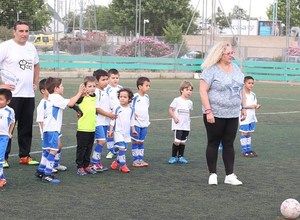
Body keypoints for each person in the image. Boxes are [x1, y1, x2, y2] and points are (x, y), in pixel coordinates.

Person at [199, 41, 247, 186]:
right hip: (215, 113)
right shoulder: (210, 69)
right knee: (213, 142)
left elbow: (241, 89)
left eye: (232, 53)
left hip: (232, 113)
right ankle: (212, 174)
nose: (231, 55)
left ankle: (229, 175)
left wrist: (244, 107)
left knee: (229, 143)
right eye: (228, 53)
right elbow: (202, 91)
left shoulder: (236, 68)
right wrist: (208, 111)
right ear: (220, 54)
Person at [0, 20, 40, 167]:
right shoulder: (5, 47)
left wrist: (35, 81)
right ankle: (3, 158)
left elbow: (36, 65)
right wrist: (1, 85)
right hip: (11, 96)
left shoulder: (31, 47)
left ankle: (25, 156)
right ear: (14, 32)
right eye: (21, 31)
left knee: (26, 127)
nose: (24, 34)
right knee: (6, 127)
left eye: (26, 31)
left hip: (28, 94)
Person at [35, 77, 84, 183]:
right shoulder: (56, 97)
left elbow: (71, 103)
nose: (63, 87)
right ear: (56, 88)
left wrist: (79, 98)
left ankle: (40, 171)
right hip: (52, 129)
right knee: (53, 150)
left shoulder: (52, 98)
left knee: (47, 151)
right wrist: (79, 92)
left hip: (48, 130)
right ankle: (48, 175)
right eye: (61, 86)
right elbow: (71, 103)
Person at [36, 79, 67, 173]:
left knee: (58, 146)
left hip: (54, 128)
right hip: (49, 130)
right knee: (50, 150)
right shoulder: (42, 104)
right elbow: (40, 120)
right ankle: (48, 170)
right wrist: (43, 133)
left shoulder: (52, 101)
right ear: (43, 91)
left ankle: (53, 165)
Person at [90, 69, 115, 172]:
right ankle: (94, 162)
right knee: (101, 141)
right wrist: (109, 114)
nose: (106, 82)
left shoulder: (105, 92)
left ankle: (96, 162)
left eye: (106, 79)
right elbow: (97, 108)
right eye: (103, 80)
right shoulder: (96, 92)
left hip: (105, 122)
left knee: (101, 142)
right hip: (98, 121)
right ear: (96, 81)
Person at [108, 88, 137, 173]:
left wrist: (133, 130)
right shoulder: (117, 107)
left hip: (126, 133)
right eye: (120, 96)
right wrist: (110, 131)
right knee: (122, 147)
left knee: (124, 149)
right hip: (118, 132)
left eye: (125, 97)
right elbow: (112, 120)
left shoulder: (131, 109)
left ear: (129, 99)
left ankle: (116, 162)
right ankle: (123, 165)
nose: (122, 98)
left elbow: (132, 120)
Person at [75, 76, 98, 176]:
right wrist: (78, 111)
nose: (92, 88)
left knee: (89, 148)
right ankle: (80, 167)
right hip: (83, 128)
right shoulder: (81, 98)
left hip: (92, 128)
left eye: (94, 86)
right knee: (82, 148)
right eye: (89, 86)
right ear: (84, 87)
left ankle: (87, 165)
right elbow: (71, 104)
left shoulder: (94, 96)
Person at [168, 81, 193, 164]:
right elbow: (170, 110)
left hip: (186, 125)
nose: (189, 91)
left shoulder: (190, 102)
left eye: (190, 90)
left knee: (182, 142)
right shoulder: (177, 100)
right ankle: (173, 157)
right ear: (182, 90)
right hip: (178, 125)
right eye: (187, 89)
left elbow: (188, 113)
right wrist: (174, 117)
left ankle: (181, 157)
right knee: (177, 141)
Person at [131, 77, 151, 167]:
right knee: (135, 141)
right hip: (136, 123)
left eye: (149, 86)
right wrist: (133, 114)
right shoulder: (134, 97)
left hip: (145, 123)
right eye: (146, 85)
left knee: (141, 141)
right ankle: (135, 160)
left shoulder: (147, 97)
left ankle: (140, 159)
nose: (148, 87)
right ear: (140, 86)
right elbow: (129, 106)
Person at [239, 76, 261, 158]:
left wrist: (256, 106)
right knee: (244, 132)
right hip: (244, 116)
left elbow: (253, 105)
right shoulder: (241, 94)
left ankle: (249, 149)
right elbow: (241, 106)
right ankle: (244, 151)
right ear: (244, 83)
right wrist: (251, 106)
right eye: (249, 83)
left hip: (251, 116)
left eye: (252, 83)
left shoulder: (253, 94)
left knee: (249, 132)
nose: (251, 85)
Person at [105, 68, 123, 159]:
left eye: (117, 77)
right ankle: (110, 151)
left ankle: (117, 149)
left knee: (119, 132)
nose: (115, 79)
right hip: (110, 115)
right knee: (110, 133)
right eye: (113, 78)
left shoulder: (120, 88)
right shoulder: (106, 89)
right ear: (108, 79)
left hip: (120, 115)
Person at [0, 89, 15, 187]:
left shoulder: (10, 111)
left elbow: (12, 122)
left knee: (0, 158)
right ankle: (2, 177)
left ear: (8, 101)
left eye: (1, 99)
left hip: (3, 137)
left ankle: (1, 179)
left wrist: (9, 132)